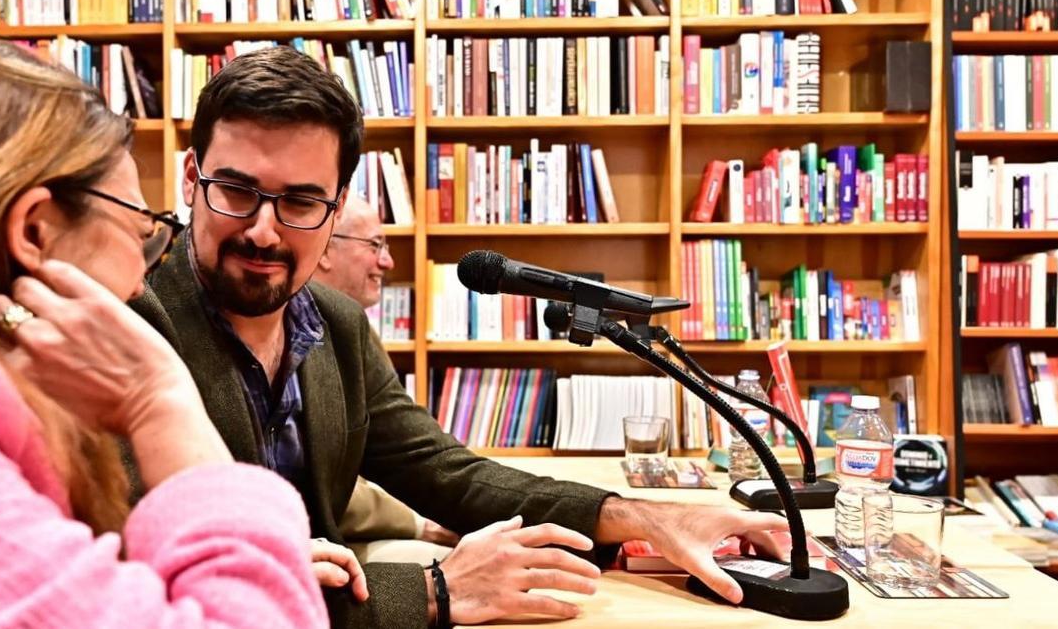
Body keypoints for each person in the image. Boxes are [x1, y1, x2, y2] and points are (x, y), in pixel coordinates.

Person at [132, 46, 789, 628]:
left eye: (301, 202)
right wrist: (435, 590)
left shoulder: (334, 324)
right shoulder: (130, 327)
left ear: (336, 207)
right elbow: (150, 578)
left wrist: (648, 518)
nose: (265, 231)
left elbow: (453, 478)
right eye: (235, 190)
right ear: (191, 177)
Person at [0, 37, 331, 626]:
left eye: (299, 202)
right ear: (35, 234)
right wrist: (159, 401)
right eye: (142, 231)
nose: (141, 283)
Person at [315, 197, 458, 552]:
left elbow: (407, 451)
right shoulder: (297, 333)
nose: (388, 261)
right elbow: (324, 486)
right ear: (323, 250)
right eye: (375, 245)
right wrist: (417, 523)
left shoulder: (353, 328)